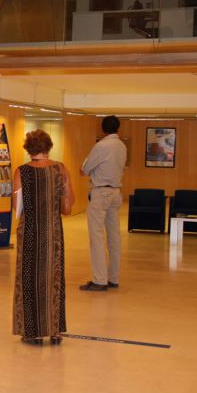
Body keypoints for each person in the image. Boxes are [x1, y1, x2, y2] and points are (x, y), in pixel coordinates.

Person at [13, 129, 74, 345]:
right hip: (53, 233)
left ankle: (33, 332)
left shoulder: (21, 172)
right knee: (54, 279)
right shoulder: (61, 170)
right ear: (49, 147)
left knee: (29, 279)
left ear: (28, 149)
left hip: (29, 232)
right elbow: (67, 208)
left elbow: (17, 209)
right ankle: (55, 331)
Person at [79, 116, 127, 291]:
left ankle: (100, 280)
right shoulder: (122, 146)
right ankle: (113, 278)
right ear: (118, 128)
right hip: (115, 193)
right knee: (114, 237)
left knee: (97, 237)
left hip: (100, 193)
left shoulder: (101, 146)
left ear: (103, 129)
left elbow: (84, 169)